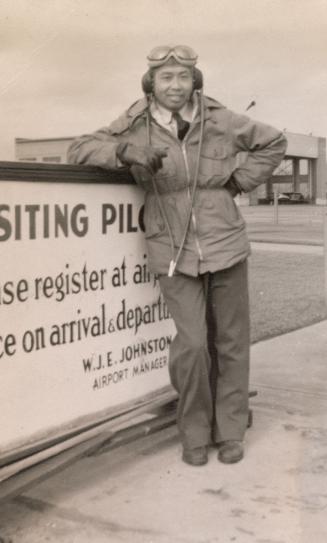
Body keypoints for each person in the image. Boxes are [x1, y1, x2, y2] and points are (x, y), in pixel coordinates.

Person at [68, 45, 287, 466]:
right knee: (191, 345)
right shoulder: (134, 124)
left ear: (195, 81)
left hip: (226, 243)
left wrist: (239, 182)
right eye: (166, 78)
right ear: (151, 83)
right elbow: (79, 148)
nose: (175, 85)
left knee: (231, 342)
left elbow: (273, 142)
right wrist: (123, 153)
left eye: (183, 77)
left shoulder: (221, 120)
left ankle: (231, 431)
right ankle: (194, 432)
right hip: (171, 248)